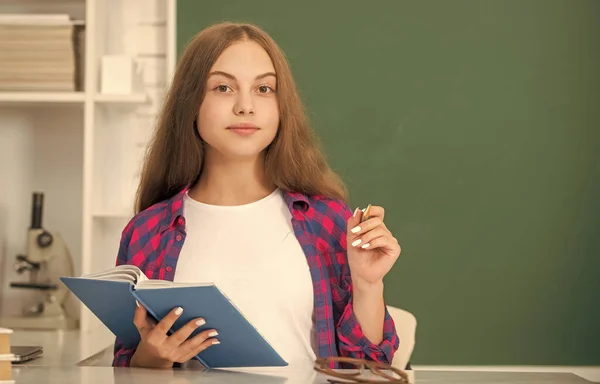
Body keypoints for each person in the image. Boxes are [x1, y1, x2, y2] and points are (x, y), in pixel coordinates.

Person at [112, 22, 401, 369]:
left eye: (264, 88)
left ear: (282, 106)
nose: (245, 106)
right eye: (222, 87)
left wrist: (368, 285)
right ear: (191, 102)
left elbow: (369, 367)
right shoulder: (147, 231)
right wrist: (152, 357)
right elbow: (128, 366)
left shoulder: (328, 221)